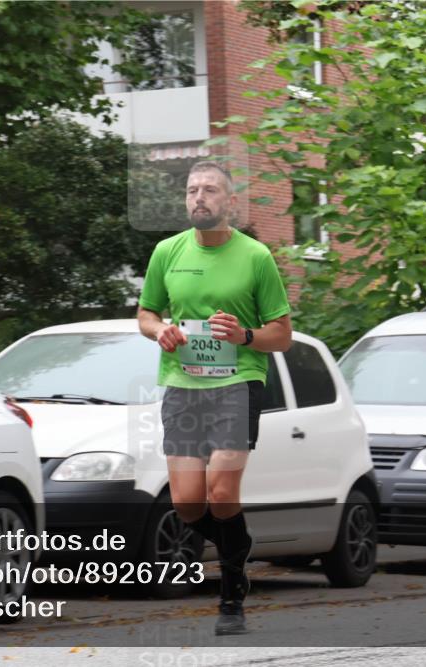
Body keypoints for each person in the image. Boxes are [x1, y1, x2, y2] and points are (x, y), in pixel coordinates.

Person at [136, 160, 292, 635]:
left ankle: (231, 594)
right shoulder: (166, 251)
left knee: (222, 494)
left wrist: (244, 335)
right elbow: (145, 313)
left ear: (230, 202)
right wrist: (159, 329)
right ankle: (237, 550)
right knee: (186, 504)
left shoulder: (256, 257)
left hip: (237, 382)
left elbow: (281, 336)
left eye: (209, 190)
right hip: (183, 387)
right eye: (191, 190)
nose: (198, 197)